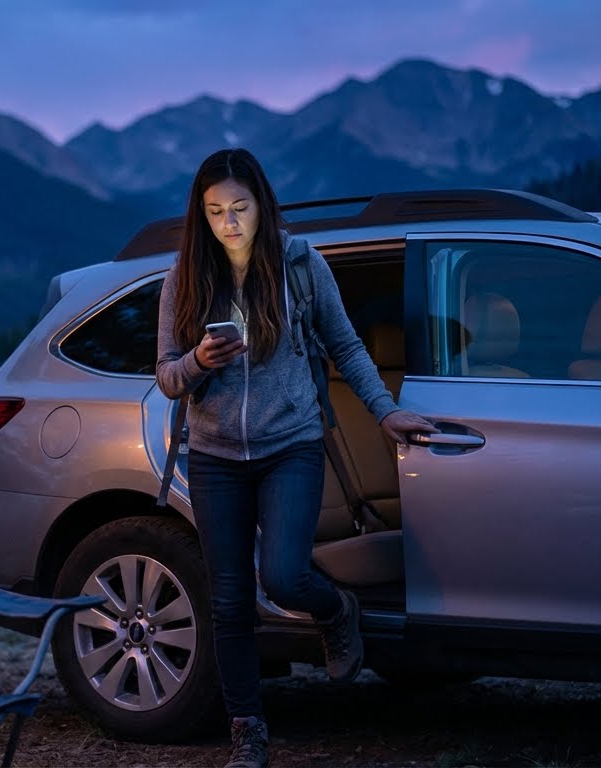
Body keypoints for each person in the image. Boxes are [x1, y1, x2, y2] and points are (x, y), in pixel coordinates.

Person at [155, 147, 435, 768]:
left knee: (283, 575)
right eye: (215, 210)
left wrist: (386, 412)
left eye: (240, 208)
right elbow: (167, 378)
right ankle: (247, 730)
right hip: (215, 455)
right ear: (200, 214)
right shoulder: (185, 277)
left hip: (291, 446)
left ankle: (338, 612)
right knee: (229, 599)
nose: (229, 222)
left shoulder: (301, 265)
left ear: (262, 204)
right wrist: (198, 362)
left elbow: (346, 345)